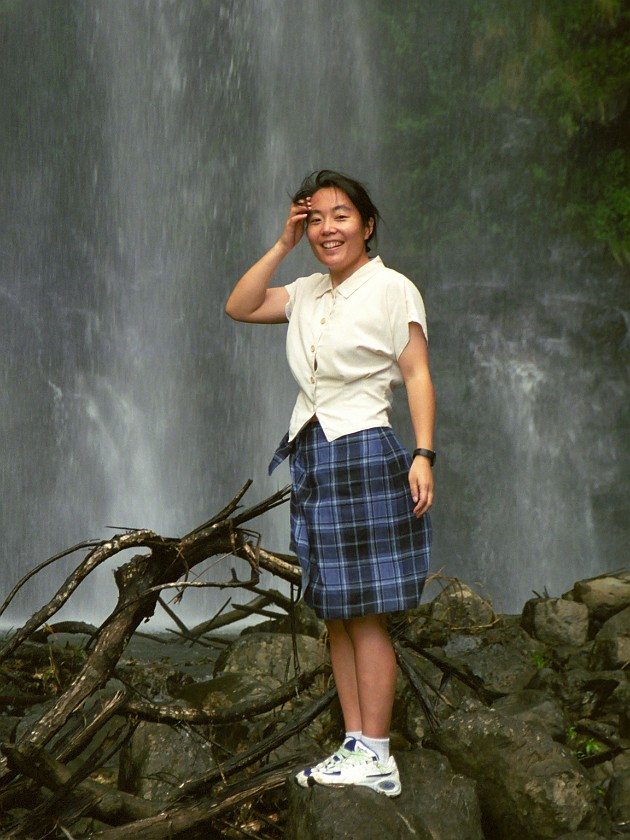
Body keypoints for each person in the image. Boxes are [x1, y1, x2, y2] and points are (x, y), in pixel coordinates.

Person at [225, 170, 434, 798]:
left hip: (366, 448)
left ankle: (378, 751)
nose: (326, 228)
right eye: (315, 219)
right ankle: (354, 742)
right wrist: (282, 243)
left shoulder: (393, 288)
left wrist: (424, 454)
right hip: (315, 451)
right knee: (338, 613)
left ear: (367, 225)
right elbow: (239, 305)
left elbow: (418, 373)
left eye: (340, 216)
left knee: (365, 613)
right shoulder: (308, 291)